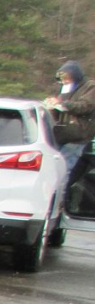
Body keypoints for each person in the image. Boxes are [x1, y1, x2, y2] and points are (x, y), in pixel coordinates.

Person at [44, 60, 95, 209]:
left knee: (64, 170)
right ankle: (49, 199)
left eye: (67, 77)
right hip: (61, 134)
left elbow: (85, 106)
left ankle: (58, 203)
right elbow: (58, 110)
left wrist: (63, 105)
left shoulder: (90, 87)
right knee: (53, 169)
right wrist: (51, 105)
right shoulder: (65, 89)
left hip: (78, 136)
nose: (65, 81)